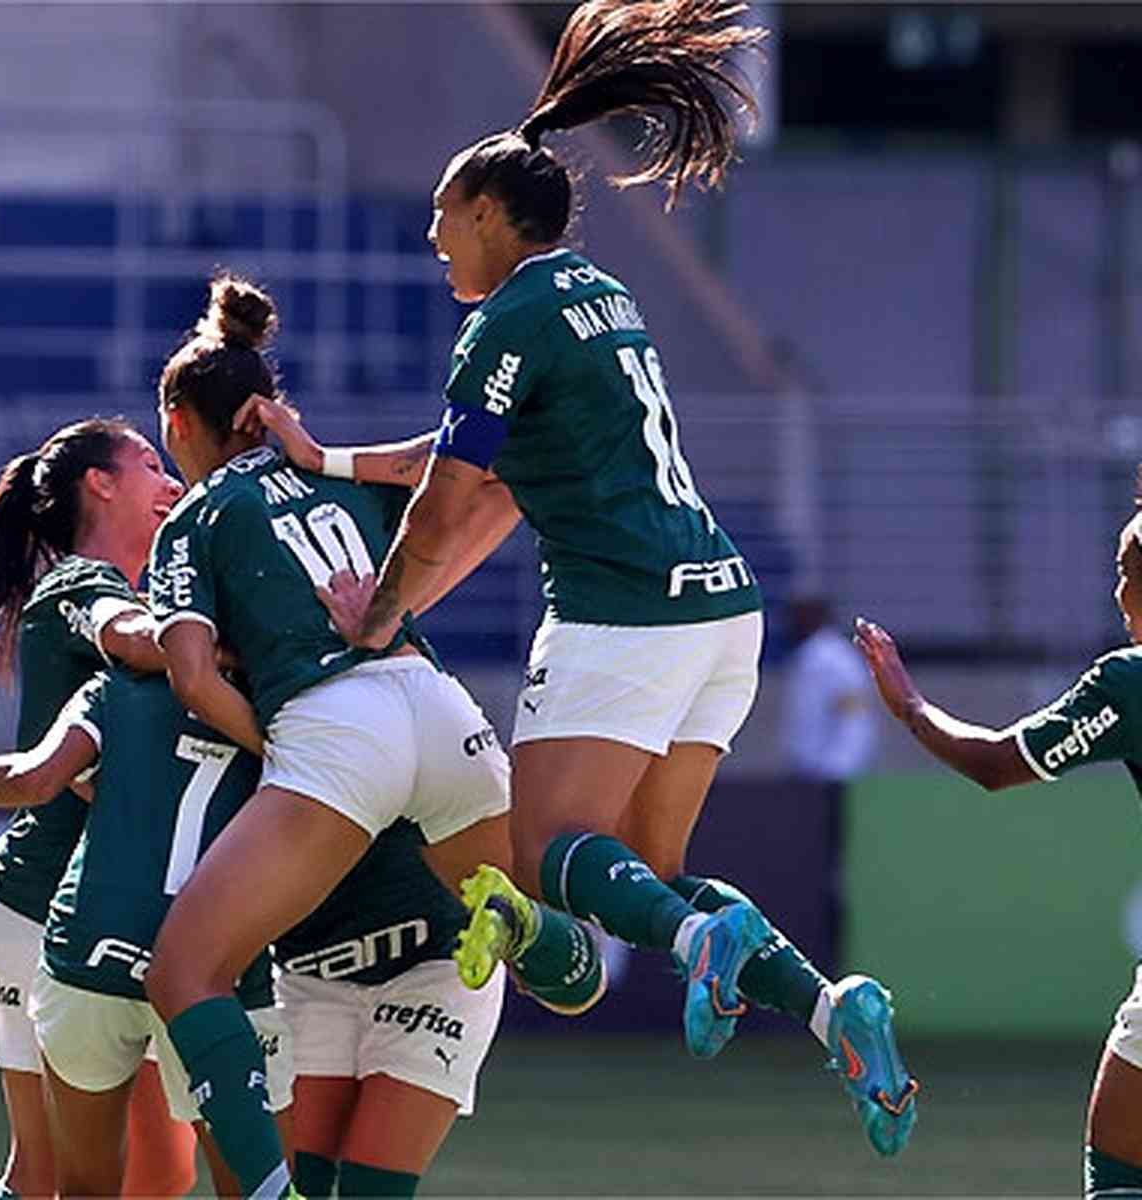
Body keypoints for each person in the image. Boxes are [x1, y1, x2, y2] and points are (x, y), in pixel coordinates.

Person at [315, 0, 917, 1157]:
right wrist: (328, 458)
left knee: (544, 857)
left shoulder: (503, 321)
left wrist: (376, 619)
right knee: (646, 872)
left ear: (490, 211)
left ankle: (701, 950)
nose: (435, 238)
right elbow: (484, 477)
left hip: (623, 611)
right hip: (718, 608)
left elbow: (451, 501)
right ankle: (835, 1007)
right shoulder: (601, 293)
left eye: (444, 216)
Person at [141, 273, 602, 1199]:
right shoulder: (327, 475)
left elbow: (191, 674)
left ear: (182, 419)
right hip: (436, 703)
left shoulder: (192, 520)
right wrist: (395, 592)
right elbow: (502, 478)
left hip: (333, 730)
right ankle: (538, 929)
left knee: (185, 974)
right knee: (555, 957)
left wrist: (287, 754)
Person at [855, 503, 1142, 1200]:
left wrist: (910, 705)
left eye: (1122, 571)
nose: (1115, 592)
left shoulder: (1131, 682)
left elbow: (994, 762)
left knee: (1118, 1162)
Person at [0, 419, 195, 1199]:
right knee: (49, 1170)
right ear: (101, 484)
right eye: (150, 465)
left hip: (129, 911)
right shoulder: (81, 585)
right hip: (40, 904)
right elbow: (129, 638)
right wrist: (228, 641)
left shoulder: (142, 593)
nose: (171, 483)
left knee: (163, 1169)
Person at [0, 669, 294, 1197]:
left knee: (85, 1187)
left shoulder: (113, 687)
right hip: (215, 974)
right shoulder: (287, 701)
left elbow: (34, 781)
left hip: (90, 952)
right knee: (252, 1188)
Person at [274, 818, 504, 1198]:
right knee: (296, 1183)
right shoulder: (262, 761)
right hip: (308, 971)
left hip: (437, 960)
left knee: (373, 1188)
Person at [782, 594, 878, 968]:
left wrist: (835, 771)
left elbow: (856, 720)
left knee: (830, 864)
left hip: (828, 778)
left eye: (801, 614)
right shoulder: (810, 657)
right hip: (808, 775)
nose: (793, 621)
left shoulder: (834, 659)